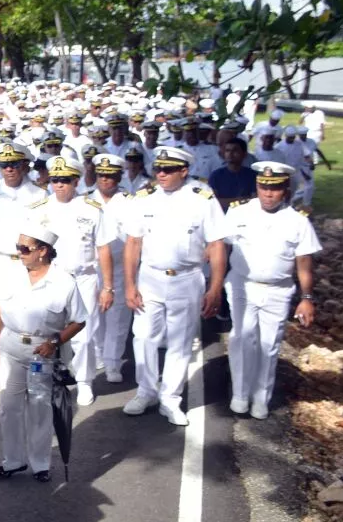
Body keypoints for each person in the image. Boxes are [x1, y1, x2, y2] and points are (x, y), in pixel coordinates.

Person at [123, 147, 226, 426]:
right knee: (143, 336)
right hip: (150, 277)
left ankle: (170, 398)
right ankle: (145, 391)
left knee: (180, 342)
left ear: (184, 171)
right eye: (158, 168)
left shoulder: (202, 199)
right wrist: (129, 284)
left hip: (187, 278)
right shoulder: (144, 199)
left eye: (168, 169)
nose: (161, 174)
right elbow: (133, 243)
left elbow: (217, 245)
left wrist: (215, 288)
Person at [0, 226, 86, 482]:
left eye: (24, 248)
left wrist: (55, 341)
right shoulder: (11, 275)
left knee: (40, 408)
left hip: (43, 352)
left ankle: (40, 464)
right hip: (11, 348)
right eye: (18, 247)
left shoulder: (64, 282)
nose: (19, 253)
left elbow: (79, 320)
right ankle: (13, 460)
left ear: (43, 251)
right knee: (9, 407)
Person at [223, 162, 321, 419]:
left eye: (275, 188)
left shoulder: (298, 221)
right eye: (263, 187)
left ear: (285, 189)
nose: (268, 193)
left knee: (269, 345)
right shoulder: (238, 213)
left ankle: (261, 398)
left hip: (278, 290)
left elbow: (304, 264)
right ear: (257, 186)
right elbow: (221, 248)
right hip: (242, 285)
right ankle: (240, 394)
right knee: (243, 338)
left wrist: (307, 298)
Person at [28, 156, 116, 406]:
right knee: (45, 331)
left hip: (83, 279)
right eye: (55, 179)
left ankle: (85, 381)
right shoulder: (39, 209)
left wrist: (108, 287)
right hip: (50, 278)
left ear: (76, 181)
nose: (58, 185)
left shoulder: (91, 208)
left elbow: (104, 250)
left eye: (64, 180)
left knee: (83, 335)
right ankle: (46, 378)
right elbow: (30, 247)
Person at [0, 141, 46, 384]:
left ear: (25, 165)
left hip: (26, 261)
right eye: (4, 165)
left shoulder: (38, 194)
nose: (9, 169)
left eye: (14, 164)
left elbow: (43, 232)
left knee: (27, 312)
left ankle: (25, 363)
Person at [87, 154, 134, 384]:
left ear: (119, 176)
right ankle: (98, 354)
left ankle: (113, 362)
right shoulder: (85, 200)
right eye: (101, 175)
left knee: (118, 316)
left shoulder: (129, 201)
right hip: (92, 266)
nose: (105, 180)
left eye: (111, 176)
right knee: (93, 313)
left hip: (120, 266)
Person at [208, 138, 258, 210]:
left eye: (235, 150)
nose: (230, 154)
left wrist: (227, 201)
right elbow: (214, 202)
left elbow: (254, 202)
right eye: (227, 150)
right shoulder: (216, 175)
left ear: (244, 154)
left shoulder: (252, 175)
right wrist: (242, 199)